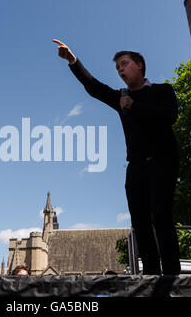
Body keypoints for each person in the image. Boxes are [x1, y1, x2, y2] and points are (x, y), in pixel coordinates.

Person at [53, 39, 181, 275]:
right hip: (136, 166)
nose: (121, 70)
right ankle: (151, 274)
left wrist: (134, 106)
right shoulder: (119, 98)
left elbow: (169, 116)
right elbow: (94, 87)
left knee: (161, 215)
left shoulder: (163, 91)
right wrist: (73, 61)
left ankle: (173, 274)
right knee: (140, 222)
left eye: (124, 64)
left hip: (163, 160)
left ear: (140, 65)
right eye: (117, 68)